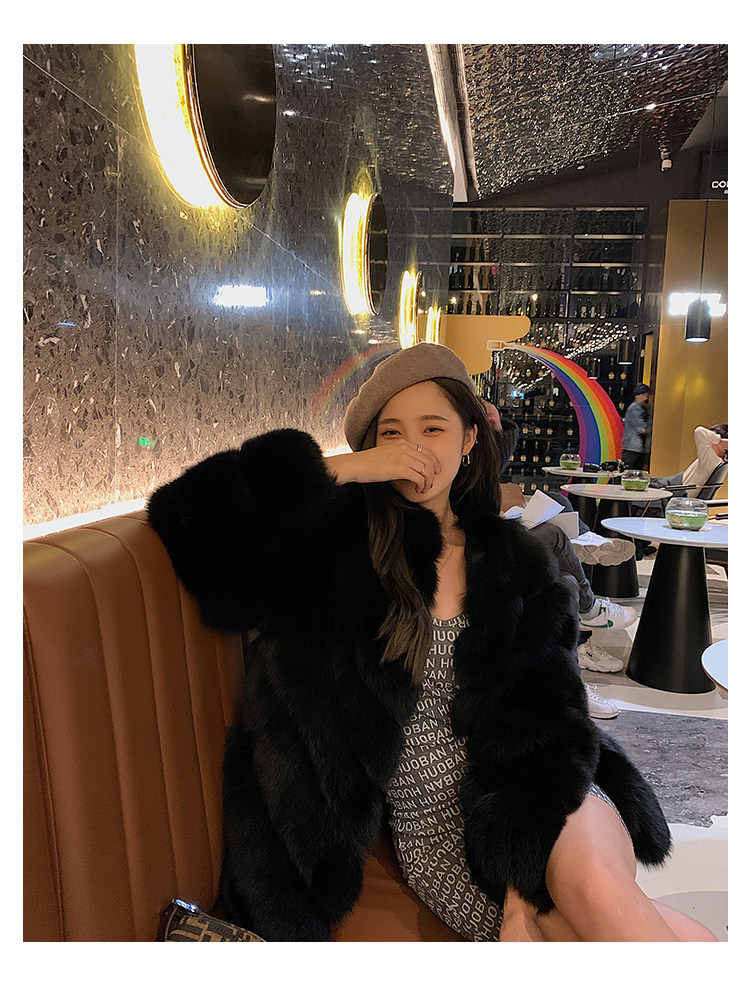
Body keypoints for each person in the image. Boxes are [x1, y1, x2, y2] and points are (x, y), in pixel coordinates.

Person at [147, 342, 715, 943]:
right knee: (691, 943)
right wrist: (344, 469)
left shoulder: (516, 566)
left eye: (433, 428)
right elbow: (188, 518)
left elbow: (550, 720)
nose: (412, 449)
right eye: (391, 434)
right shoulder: (331, 555)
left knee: (596, 889)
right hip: (435, 832)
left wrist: (519, 879)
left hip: (535, 790)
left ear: (469, 439)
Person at [482, 400, 636, 701]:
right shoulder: (456, 462)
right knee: (554, 536)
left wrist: (497, 425)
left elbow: (493, 466)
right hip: (491, 547)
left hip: (497, 531)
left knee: (559, 502)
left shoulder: (473, 456)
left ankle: (588, 541)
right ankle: (590, 607)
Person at [649, 424, 728, 497]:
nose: (710, 442)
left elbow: (699, 431)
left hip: (675, 489)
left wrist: (721, 441)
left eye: (713, 439)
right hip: (675, 483)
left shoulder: (712, 458)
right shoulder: (717, 461)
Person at [621, 383, 652, 469]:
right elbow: (641, 427)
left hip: (635, 447)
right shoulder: (635, 408)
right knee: (630, 471)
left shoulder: (640, 408)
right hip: (632, 448)